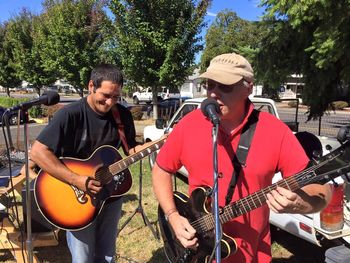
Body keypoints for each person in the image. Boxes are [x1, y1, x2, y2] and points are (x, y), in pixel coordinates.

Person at [152, 53, 332, 262]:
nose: (213, 94)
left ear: (248, 88)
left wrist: (301, 204)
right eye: (210, 85)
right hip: (199, 249)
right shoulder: (189, 124)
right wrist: (173, 216)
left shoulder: (275, 132)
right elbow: (161, 169)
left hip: (252, 254)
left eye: (225, 86)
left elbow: (322, 190)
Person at [30, 64, 142, 263]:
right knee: (83, 258)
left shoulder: (121, 115)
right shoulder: (70, 115)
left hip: (110, 194)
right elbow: (38, 152)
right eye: (105, 96)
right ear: (91, 86)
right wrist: (76, 180)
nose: (109, 103)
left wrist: (160, 144)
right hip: (75, 197)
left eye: (116, 97)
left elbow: (130, 149)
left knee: (107, 256)